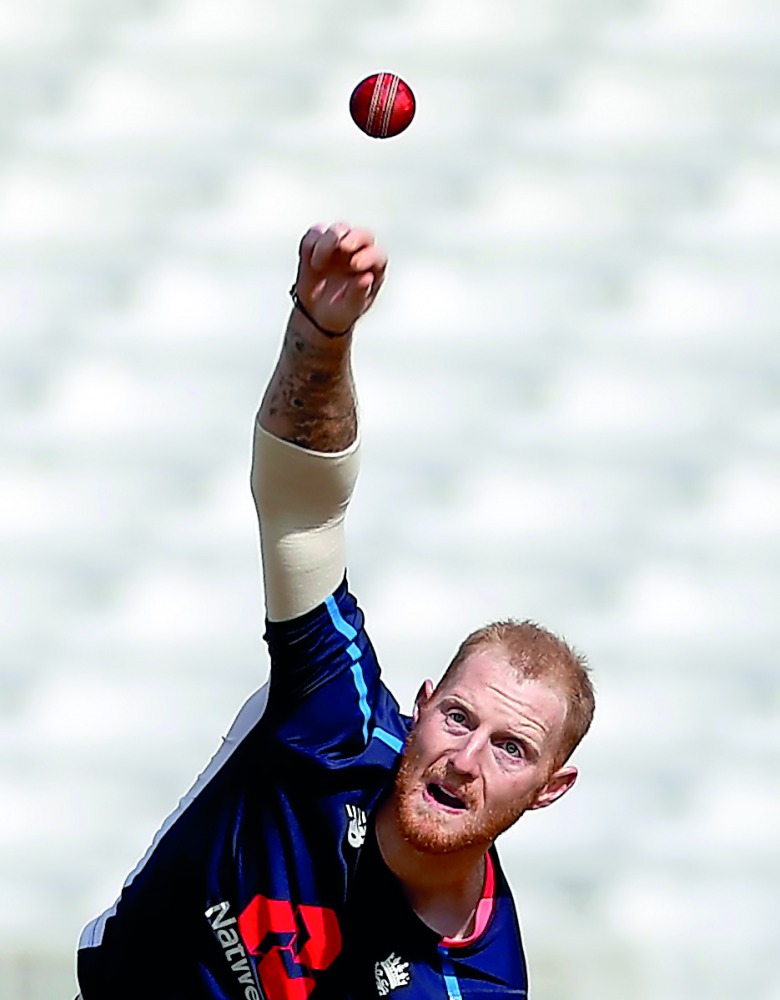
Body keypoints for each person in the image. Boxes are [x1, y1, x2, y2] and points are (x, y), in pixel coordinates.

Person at [76, 222, 595, 1000]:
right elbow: (302, 511)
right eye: (458, 718)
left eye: (513, 749)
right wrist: (321, 334)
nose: (465, 760)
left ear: (551, 787)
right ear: (420, 708)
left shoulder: (476, 990)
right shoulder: (338, 720)